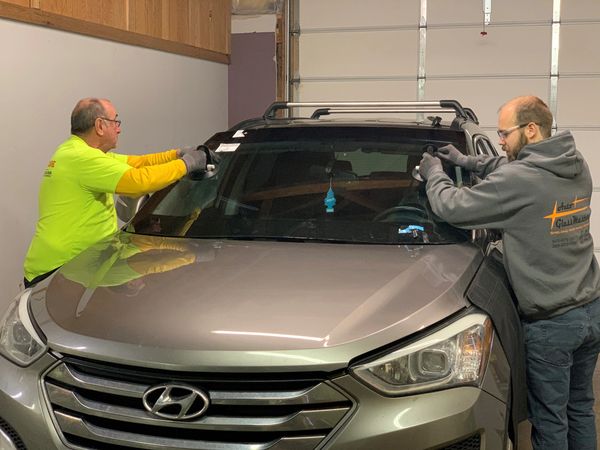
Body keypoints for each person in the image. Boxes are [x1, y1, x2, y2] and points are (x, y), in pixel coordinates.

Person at [418, 95, 600, 450]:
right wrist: (467, 160)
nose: (499, 140)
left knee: (550, 421)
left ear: (530, 130)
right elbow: (512, 169)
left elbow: (451, 207)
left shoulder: (519, 181)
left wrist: (434, 174)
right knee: (580, 408)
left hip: (552, 325)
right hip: (591, 310)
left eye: (504, 133)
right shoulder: (576, 163)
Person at [23, 97, 207, 288]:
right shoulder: (82, 159)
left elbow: (137, 162)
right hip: (61, 270)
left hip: (86, 263)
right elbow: (140, 181)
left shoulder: (77, 152)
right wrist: (187, 164)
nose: (118, 128)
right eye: (115, 122)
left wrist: (176, 154)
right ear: (100, 125)